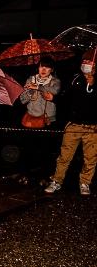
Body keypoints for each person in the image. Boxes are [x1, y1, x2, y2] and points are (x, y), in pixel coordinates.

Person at [44, 49, 97, 196]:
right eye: (84, 61)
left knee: (90, 158)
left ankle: (85, 183)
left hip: (93, 128)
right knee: (64, 156)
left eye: (89, 62)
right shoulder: (75, 78)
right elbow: (66, 98)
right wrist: (53, 97)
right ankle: (57, 181)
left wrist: (93, 84)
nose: (86, 64)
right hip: (73, 125)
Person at [19, 57, 60, 126]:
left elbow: (55, 91)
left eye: (47, 67)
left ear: (52, 69)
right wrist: (31, 90)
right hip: (32, 116)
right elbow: (22, 100)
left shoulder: (55, 81)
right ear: (38, 68)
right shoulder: (30, 80)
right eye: (41, 66)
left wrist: (38, 87)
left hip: (48, 119)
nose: (43, 69)